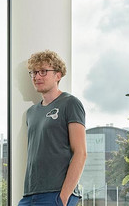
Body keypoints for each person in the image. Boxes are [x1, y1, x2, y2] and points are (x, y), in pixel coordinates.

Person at [19, 50, 87, 206]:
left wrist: (63, 197)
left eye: (43, 71)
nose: (37, 77)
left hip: (56, 194)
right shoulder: (31, 113)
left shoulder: (70, 103)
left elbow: (81, 153)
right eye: (34, 72)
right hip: (30, 194)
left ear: (58, 75)